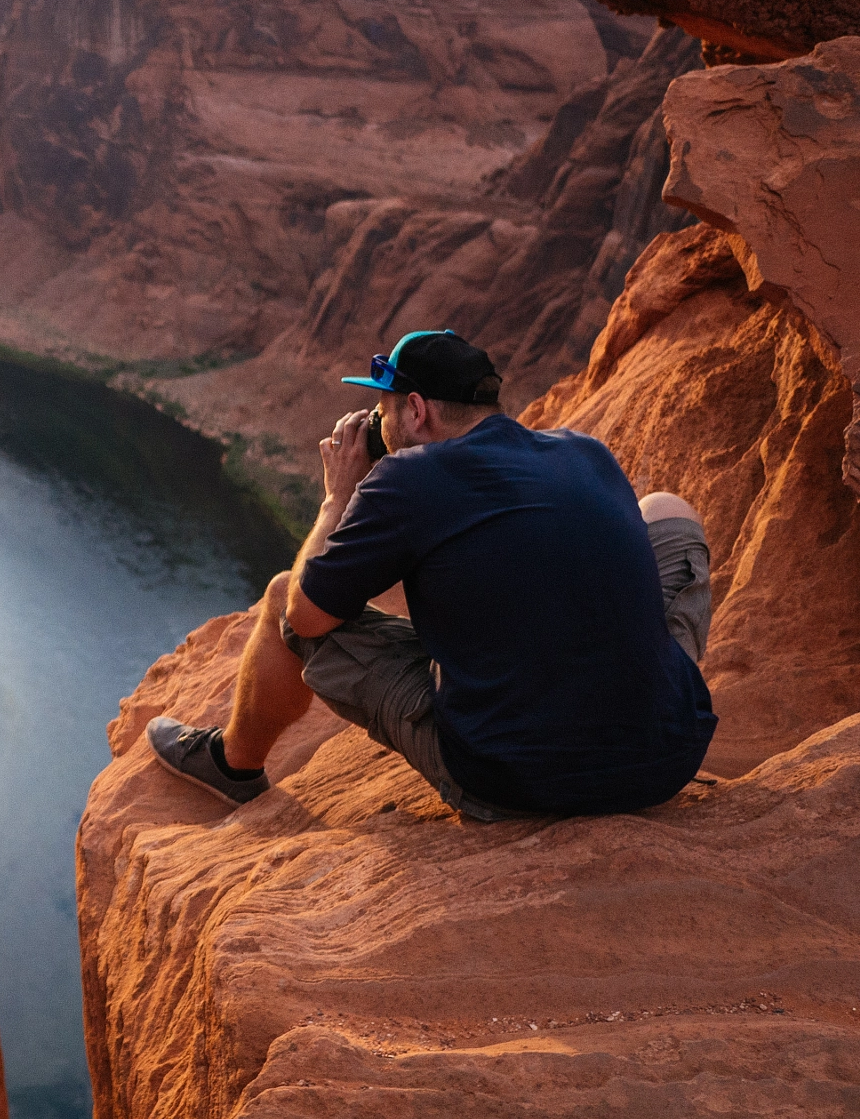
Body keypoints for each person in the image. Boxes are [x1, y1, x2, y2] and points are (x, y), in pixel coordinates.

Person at [147, 329, 716, 820]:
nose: (377, 423)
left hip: (511, 783)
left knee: (281, 597)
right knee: (667, 512)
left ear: (416, 410)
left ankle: (233, 766)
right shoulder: (586, 451)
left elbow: (307, 614)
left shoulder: (407, 476)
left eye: (383, 409)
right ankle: (635, 701)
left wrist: (336, 498)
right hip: (664, 761)